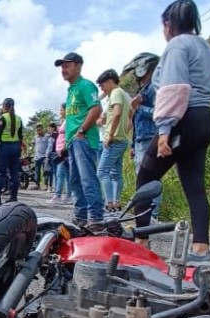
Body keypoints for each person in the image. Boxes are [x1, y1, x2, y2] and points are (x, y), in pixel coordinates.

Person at [134, 0, 210, 264]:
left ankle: (141, 241)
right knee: (194, 185)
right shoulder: (203, 45)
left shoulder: (177, 45)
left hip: (182, 118)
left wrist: (165, 129)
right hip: (203, 118)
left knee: (145, 176)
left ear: (169, 24)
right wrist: (202, 94)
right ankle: (201, 250)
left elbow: (173, 87)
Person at [54, 52, 105, 230]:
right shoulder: (71, 90)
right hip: (72, 142)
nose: (63, 70)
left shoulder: (86, 85)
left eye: (67, 66)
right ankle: (81, 216)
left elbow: (96, 109)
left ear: (78, 66)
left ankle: (96, 217)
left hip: (83, 140)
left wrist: (82, 131)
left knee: (87, 179)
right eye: (62, 67)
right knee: (75, 181)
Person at [124, 52, 161, 219]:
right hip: (140, 140)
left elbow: (158, 113)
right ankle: (145, 215)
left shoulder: (153, 89)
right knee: (142, 178)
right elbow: (136, 122)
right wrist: (133, 145)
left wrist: (139, 107)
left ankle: (152, 214)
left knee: (150, 179)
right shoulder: (143, 90)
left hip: (150, 138)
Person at [96, 69, 131, 212]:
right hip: (121, 139)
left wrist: (110, 135)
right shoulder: (123, 94)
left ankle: (109, 203)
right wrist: (124, 132)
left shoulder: (116, 93)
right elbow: (131, 115)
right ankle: (116, 202)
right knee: (116, 173)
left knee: (102, 171)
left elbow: (116, 114)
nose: (102, 88)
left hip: (114, 140)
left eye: (102, 85)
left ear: (110, 81)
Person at [0, 97, 24, 203]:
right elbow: (20, 136)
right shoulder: (19, 119)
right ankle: (13, 197)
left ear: (5, 106)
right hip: (15, 148)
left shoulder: (2, 118)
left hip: (4, 147)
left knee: (1, 172)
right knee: (14, 173)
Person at [49, 103, 72, 204]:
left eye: (61, 110)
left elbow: (69, 135)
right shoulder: (64, 121)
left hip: (64, 152)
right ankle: (68, 195)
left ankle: (58, 195)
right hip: (61, 152)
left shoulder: (69, 121)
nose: (60, 112)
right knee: (66, 174)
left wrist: (64, 148)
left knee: (60, 173)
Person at [32, 124, 50, 190]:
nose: (38, 132)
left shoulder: (47, 136)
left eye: (39, 130)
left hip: (45, 157)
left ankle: (46, 185)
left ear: (42, 129)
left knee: (45, 171)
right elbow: (33, 144)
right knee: (36, 171)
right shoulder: (35, 137)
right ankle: (37, 184)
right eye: (37, 130)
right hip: (37, 157)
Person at [46, 122, 59, 193]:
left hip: (53, 154)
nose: (48, 129)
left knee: (52, 171)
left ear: (53, 128)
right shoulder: (58, 135)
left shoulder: (52, 136)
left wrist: (47, 155)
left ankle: (53, 187)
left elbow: (50, 146)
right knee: (57, 171)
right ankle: (57, 187)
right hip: (58, 153)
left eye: (49, 128)